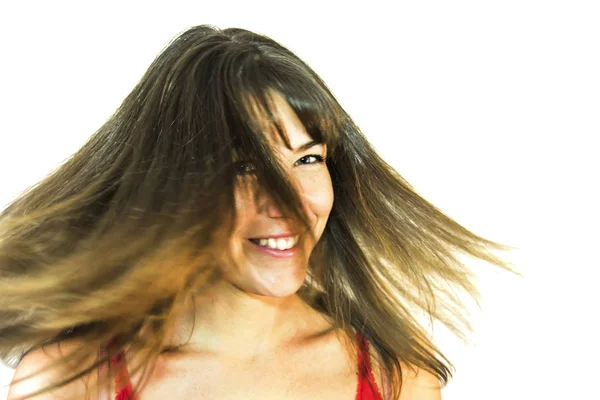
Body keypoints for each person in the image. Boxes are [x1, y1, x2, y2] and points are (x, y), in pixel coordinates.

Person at [1, 25, 513, 399]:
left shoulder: (395, 377)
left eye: (308, 158)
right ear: (170, 186)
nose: (287, 202)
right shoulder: (69, 382)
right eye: (245, 167)